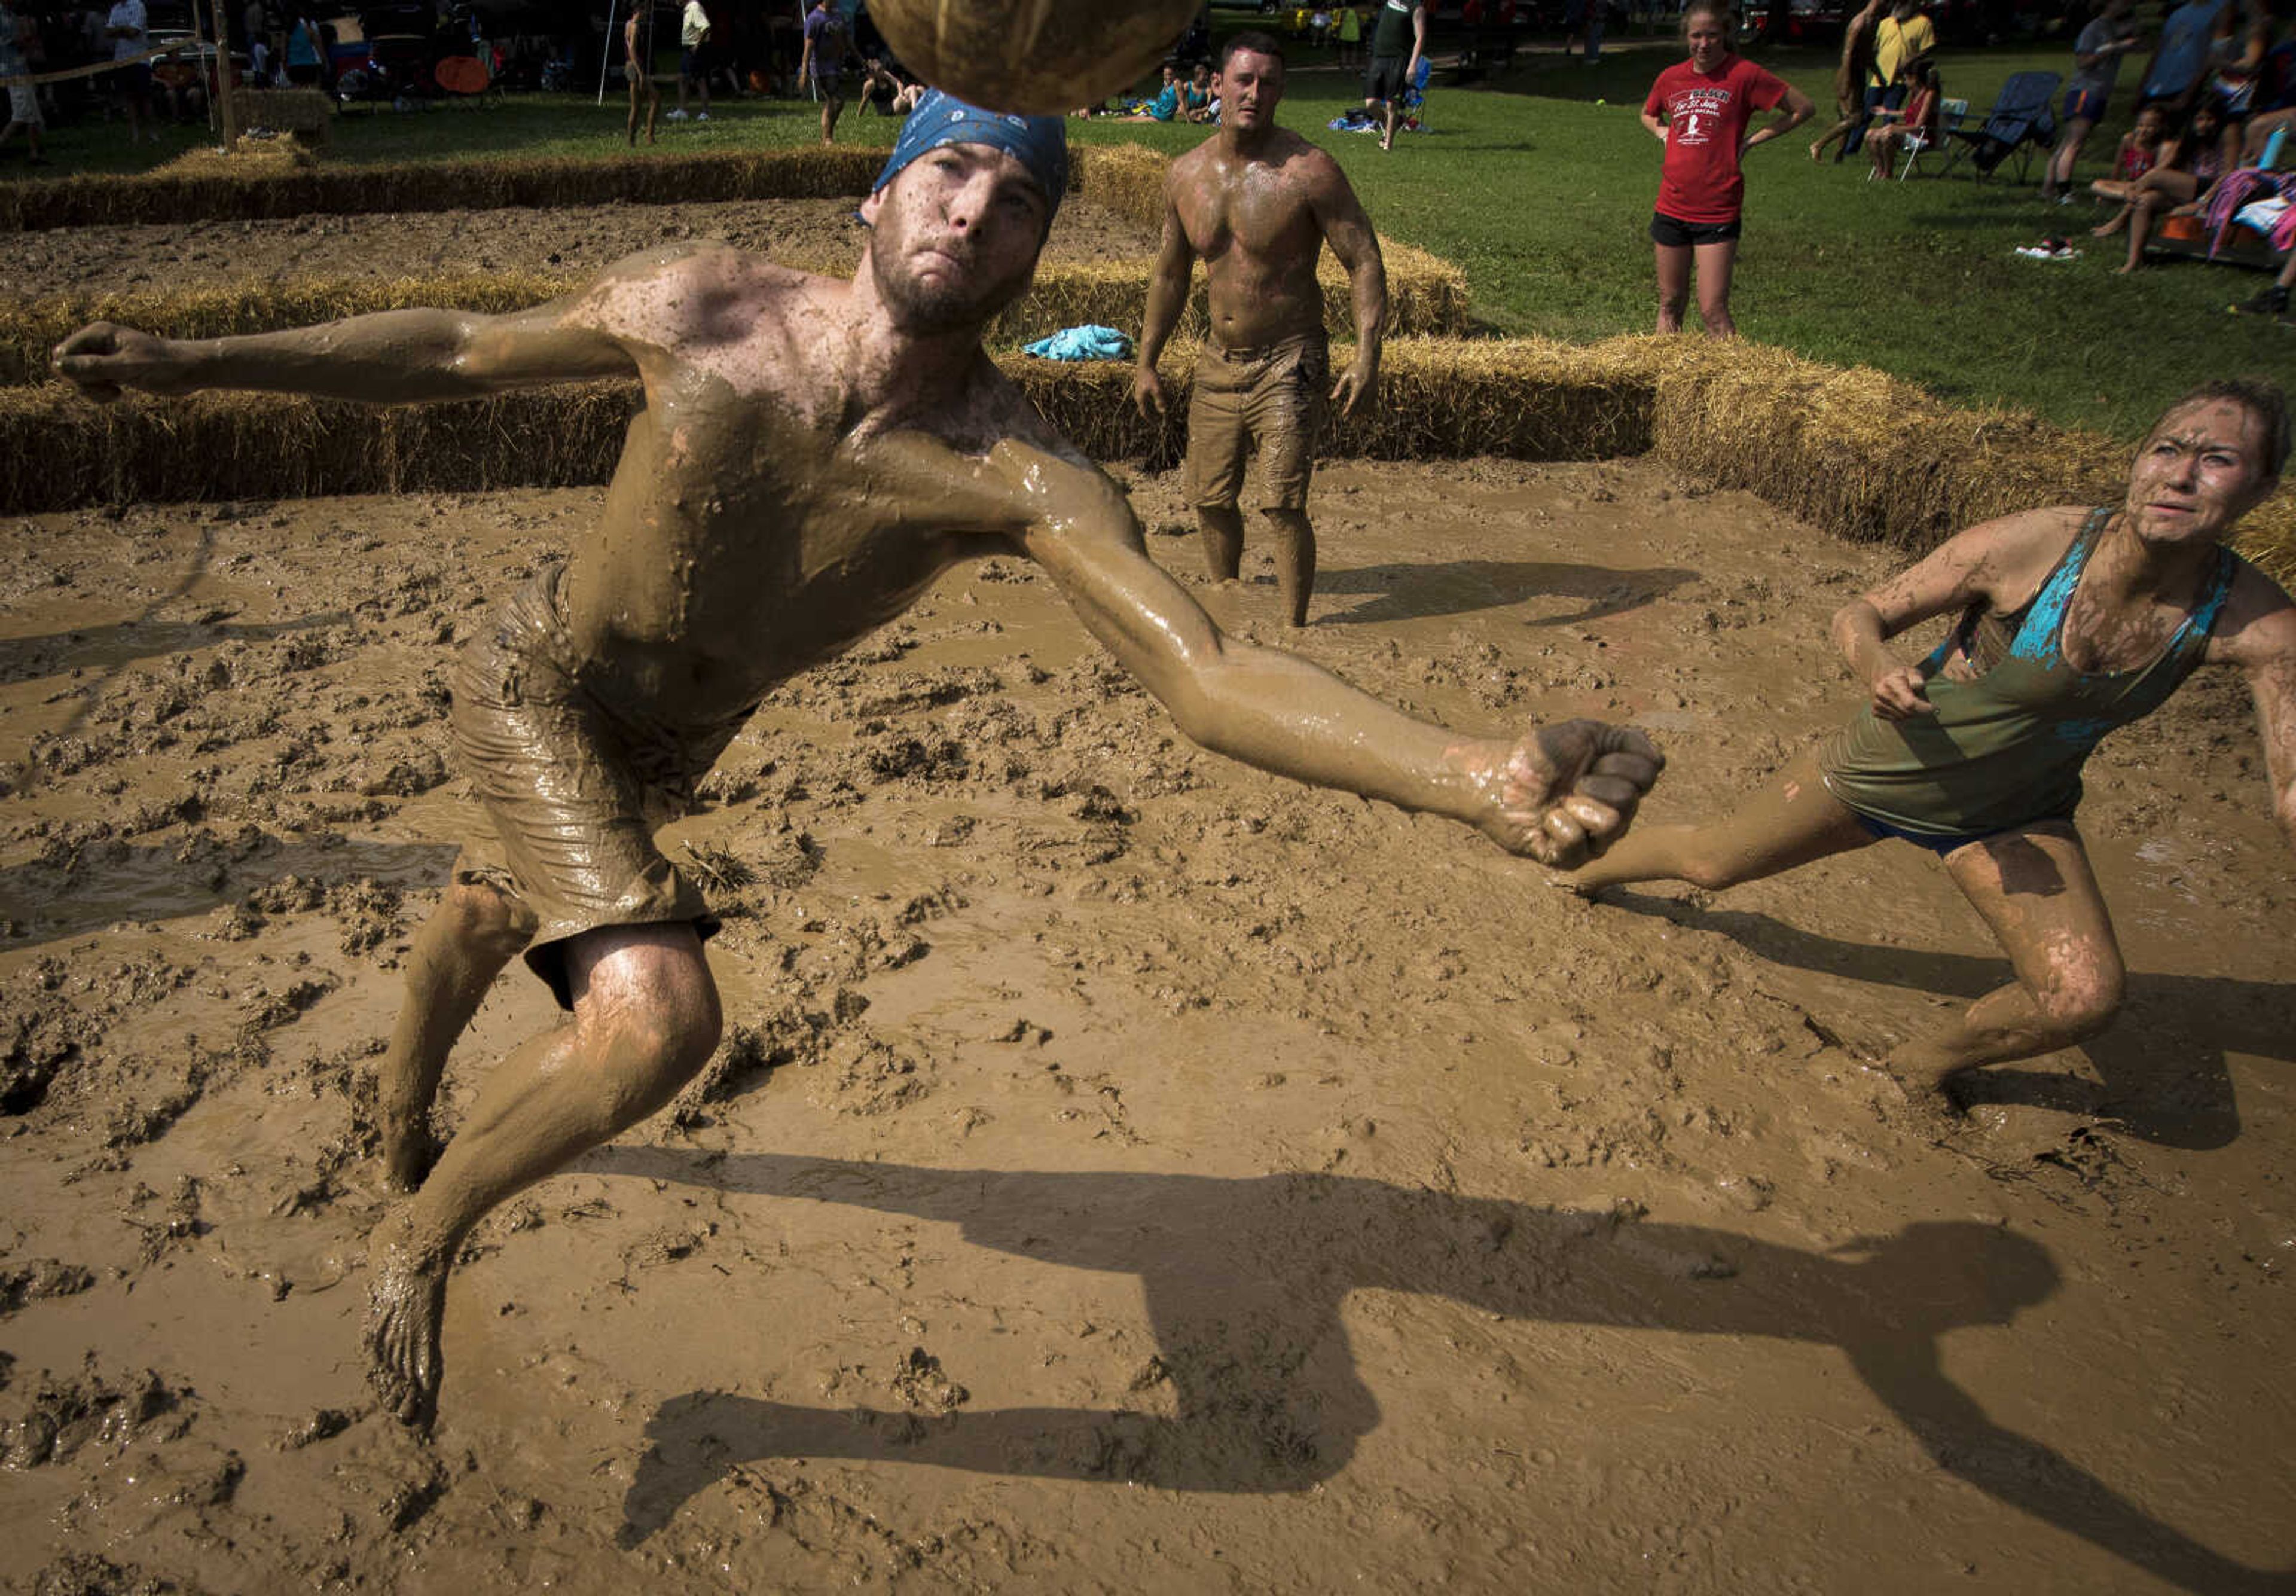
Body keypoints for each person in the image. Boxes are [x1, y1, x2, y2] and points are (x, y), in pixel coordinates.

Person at [51, 93, 1662, 1432]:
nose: (976, 210)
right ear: (876, 199)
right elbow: (463, 345)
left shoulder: (1016, 473)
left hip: (670, 743)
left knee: (491, 910)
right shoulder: (706, 310)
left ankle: (396, 1102)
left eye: (1018, 198)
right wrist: (207, 368)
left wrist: (1479, 772)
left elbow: (1212, 668)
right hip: (537, 682)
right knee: (658, 1008)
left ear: (1036, 256)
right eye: (950, 172)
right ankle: (418, 1228)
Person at [1566, 382, 2296, 1117]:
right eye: (2166, 450)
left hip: (2016, 816)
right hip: (1890, 768)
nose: (2179, 475)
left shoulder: (2256, 619)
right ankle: (1569, 869)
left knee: (2081, 997)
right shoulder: (2035, 545)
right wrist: (1877, 666)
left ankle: (1913, 1069)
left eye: (2218, 460)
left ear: (2263, 489)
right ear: (2137, 461)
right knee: (1710, 863)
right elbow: (1863, 611)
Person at [1134, 32, 1387, 630]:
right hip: (1217, 360)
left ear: (1281, 92)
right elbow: (1170, 274)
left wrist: (1367, 357)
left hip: (1289, 358)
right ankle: (1228, 606)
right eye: (1243, 80)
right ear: (1216, 84)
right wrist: (1146, 360)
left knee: (1282, 500)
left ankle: (1299, 632)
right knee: (1210, 499)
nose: (1254, 93)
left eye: (1267, 83)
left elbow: (1364, 259)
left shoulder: (1309, 171)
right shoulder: (1186, 175)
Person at [1639, 2, 1813, 338]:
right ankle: (1663, 380)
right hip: (1671, 204)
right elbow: (1649, 113)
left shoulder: (1744, 75)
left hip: (1717, 207)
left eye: (1712, 36)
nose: (1704, 44)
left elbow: (1803, 109)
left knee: (1713, 312)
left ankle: (1738, 385)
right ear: (1686, 37)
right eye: (1696, 36)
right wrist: (1662, 132)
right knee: (1670, 303)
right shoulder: (1671, 77)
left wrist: (1751, 141)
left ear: (1726, 35)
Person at [2092, 99, 2237, 270]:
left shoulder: (2229, 130)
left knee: (2154, 176)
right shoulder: (2191, 136)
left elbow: (2230, 172)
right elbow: (2166, 165)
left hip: (2213, 189)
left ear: (2219, 119)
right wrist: (2140, 185)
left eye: (2209, 119)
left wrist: (2205, 201)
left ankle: (2120, 220)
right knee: (2145, 201)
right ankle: (2134, 261)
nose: (2204, 124)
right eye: (2199, 119)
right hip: (2189, 188)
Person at [2041, 0, 2141, 201]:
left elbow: (2137, 43)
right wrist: (2112, 49)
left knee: (2068, 142)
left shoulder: (2113, 28)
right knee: (2074, 142)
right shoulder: (2094, 28)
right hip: (2085, 91)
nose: (2126, 5)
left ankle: (2048, 189)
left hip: (2099, 92)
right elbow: (2083, 61)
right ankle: (2065, 191)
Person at [1808, 0, 1885, 164]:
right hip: (1849, 73)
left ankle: (1839, 156)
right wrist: (1846, 80)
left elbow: (1867, 53)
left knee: (1847, 116)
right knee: (1855, 119)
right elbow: (1848, 53)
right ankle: (1818, 145)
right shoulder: (1860, 23)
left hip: (1859, 72)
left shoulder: (1875, 21)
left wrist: (1878, 73)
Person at [2140, 0, 2229, 117]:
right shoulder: (2178, 13)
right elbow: (2159, 52)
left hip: (2183, 89)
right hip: (2155, 89)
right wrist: (2141, 89)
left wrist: (2187, 95)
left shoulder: (2222, 9)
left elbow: (2215, 55)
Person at [1362, 0, 1424, 152]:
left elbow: (1420, 38)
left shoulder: (1417, 8)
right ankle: (1390, 124)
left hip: (1399, 60)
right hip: (1379, 58)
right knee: (1371, 104)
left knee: (1392, 105)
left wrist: (1413, 65)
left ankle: (1388, 145)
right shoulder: (1389, 2)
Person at [1864, 56, 1940, 179]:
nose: (1905, 82)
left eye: (1906, 79)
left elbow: (1918, 126)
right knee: (1870, 134)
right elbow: (1909, 113)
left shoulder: (1929, 95)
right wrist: (1887, 112)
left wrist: (1894, 128)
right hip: (1911, 133)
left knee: (1887, 135)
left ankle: (1888, 173)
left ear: (1914, 79)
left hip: (1923, 137)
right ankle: (1880, 171)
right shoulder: (1915, 94)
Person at [2089, 98, 2171, 200]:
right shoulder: (2129, 140)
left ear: (2160, 127)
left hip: (2147, 188)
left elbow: (2159, 177)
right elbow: (2117, 167)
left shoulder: (2161, 147)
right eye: (2140, 125)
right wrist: (2112, 184)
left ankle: (2122, 197)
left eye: (2150, 126)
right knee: (2096, 185)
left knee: (2149, 195)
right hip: (2130, 185)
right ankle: (2125, 197)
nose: (2143, 130)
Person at [0, 0, 47, 166]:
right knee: (21, 114)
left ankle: (34, 155)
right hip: (12, 72)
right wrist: (28, 31)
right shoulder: (4, 16)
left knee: (32, 114)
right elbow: (20, 41)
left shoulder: (12, 16)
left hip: (22, 69)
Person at [103, 0, 151, 144]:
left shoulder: (139, 5)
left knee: (145, 98)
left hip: (140, 59)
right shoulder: (115, 8)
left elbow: (134, 32)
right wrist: (124, 29)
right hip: (122, 59)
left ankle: (151, 131)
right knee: (129, 98)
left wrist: (118, 30)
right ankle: (135, 134)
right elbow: (107, 32)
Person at [798, 0, 845, 145]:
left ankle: (826, 136)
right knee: (836, 101)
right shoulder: (814, 19)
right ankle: (828, 137)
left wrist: (861, 60)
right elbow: (808, 49)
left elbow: (847, 41)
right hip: (820, 67)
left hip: (835, 65)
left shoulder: (838, 16)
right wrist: (804, 73)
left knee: (834, 103)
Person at [623, 6, 659, 145]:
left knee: (637, 106)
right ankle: (647, 137)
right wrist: (641, 73)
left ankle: (635, 139)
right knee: (654, 99)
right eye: (645, 11)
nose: (647, 14)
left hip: (631, 66)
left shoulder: (628, 24)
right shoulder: (635, 27)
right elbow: (632, 50)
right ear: (638, 11)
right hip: (635, 67)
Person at [669, 0, 708, 121]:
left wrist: (697, 45)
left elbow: (705, 26)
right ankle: (682, 110)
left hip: (694, 49)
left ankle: (705, 113)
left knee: (699, 80)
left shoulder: (694, 7)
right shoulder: (687, 9)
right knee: (683, 79)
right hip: (688, 49)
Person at [1336, 0, 1361, 68]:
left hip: (1345, 33)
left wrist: (1338, 32)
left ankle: (1344, 64)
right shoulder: (1357, 11)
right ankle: (1353, 64)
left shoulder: (1344, 11)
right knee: (1353, 50)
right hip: (1354, 34)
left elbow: (1341, 23)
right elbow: (1359, 22)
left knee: (1344, 50)